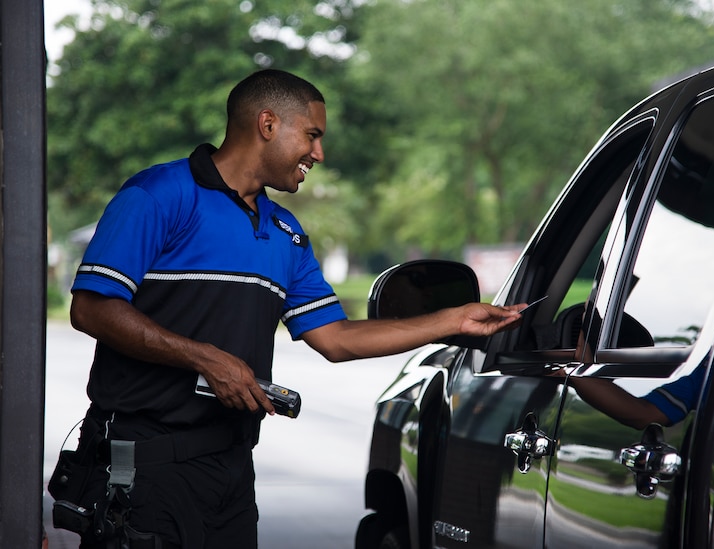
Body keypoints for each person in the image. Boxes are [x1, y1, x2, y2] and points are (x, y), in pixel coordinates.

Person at [58, 69, 524, 549]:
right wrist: (205, 359)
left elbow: (337, 338)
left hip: (231, 473)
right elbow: (92, 309)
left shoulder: (286, 233)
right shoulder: (158, 196)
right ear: (267, 124)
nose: (318, 154)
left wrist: (452, 320)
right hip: (146, 473)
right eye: (312, 136)